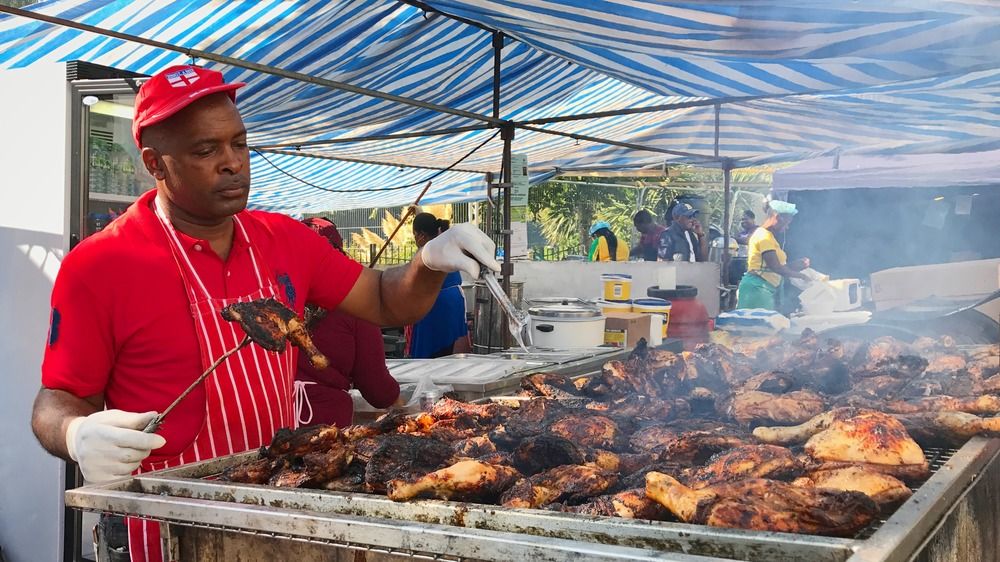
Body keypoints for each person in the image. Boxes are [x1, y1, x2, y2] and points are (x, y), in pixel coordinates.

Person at [30, 65, 498, 562]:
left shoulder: (284, 239)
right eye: (206, 150)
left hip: (276, 509)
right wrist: (76, 434)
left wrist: (427, 263)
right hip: (165, 527)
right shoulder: (102, 264)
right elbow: (55, 400)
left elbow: (383, 299)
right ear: (156, 163)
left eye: (240, 143)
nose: (232, 163)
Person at [296, 217, 399, 427]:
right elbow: (378, 390)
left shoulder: (271, 296)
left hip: (266, 425)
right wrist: (400, 405)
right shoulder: (356, 306)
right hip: (326, 429)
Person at [408, 212, 472, 358]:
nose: (415, 239)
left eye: (414, 234)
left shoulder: (427, 252)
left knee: (430, 352)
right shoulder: (444, 243)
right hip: (453, 302)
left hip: (437, 304)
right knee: (444, 350)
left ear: (422, 235)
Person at [736, 200, 811, 310]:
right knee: (757, 326)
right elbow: (775, 267)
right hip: (757, 289)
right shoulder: (763, 236)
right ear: (777, 217)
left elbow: (774, 267)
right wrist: (802, 276)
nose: (787, 228)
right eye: (787, 223)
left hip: (765, 288)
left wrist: (796, 265)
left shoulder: (769, 237)